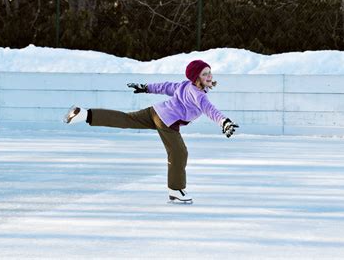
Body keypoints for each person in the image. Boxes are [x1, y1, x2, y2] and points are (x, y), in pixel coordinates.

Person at [63, 60, 238, 203]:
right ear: (196, 78)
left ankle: (85, 115)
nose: (209, 76)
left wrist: (145, 87)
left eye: (209, 72)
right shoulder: (198, 94)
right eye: (204, 74)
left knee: (126, 119)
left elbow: (165, 87)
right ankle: (176, 189)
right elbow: (209, 109)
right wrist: (224, 122)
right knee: (179, 153)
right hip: (167, 120)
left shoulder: (184, 86)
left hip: (155, 111)